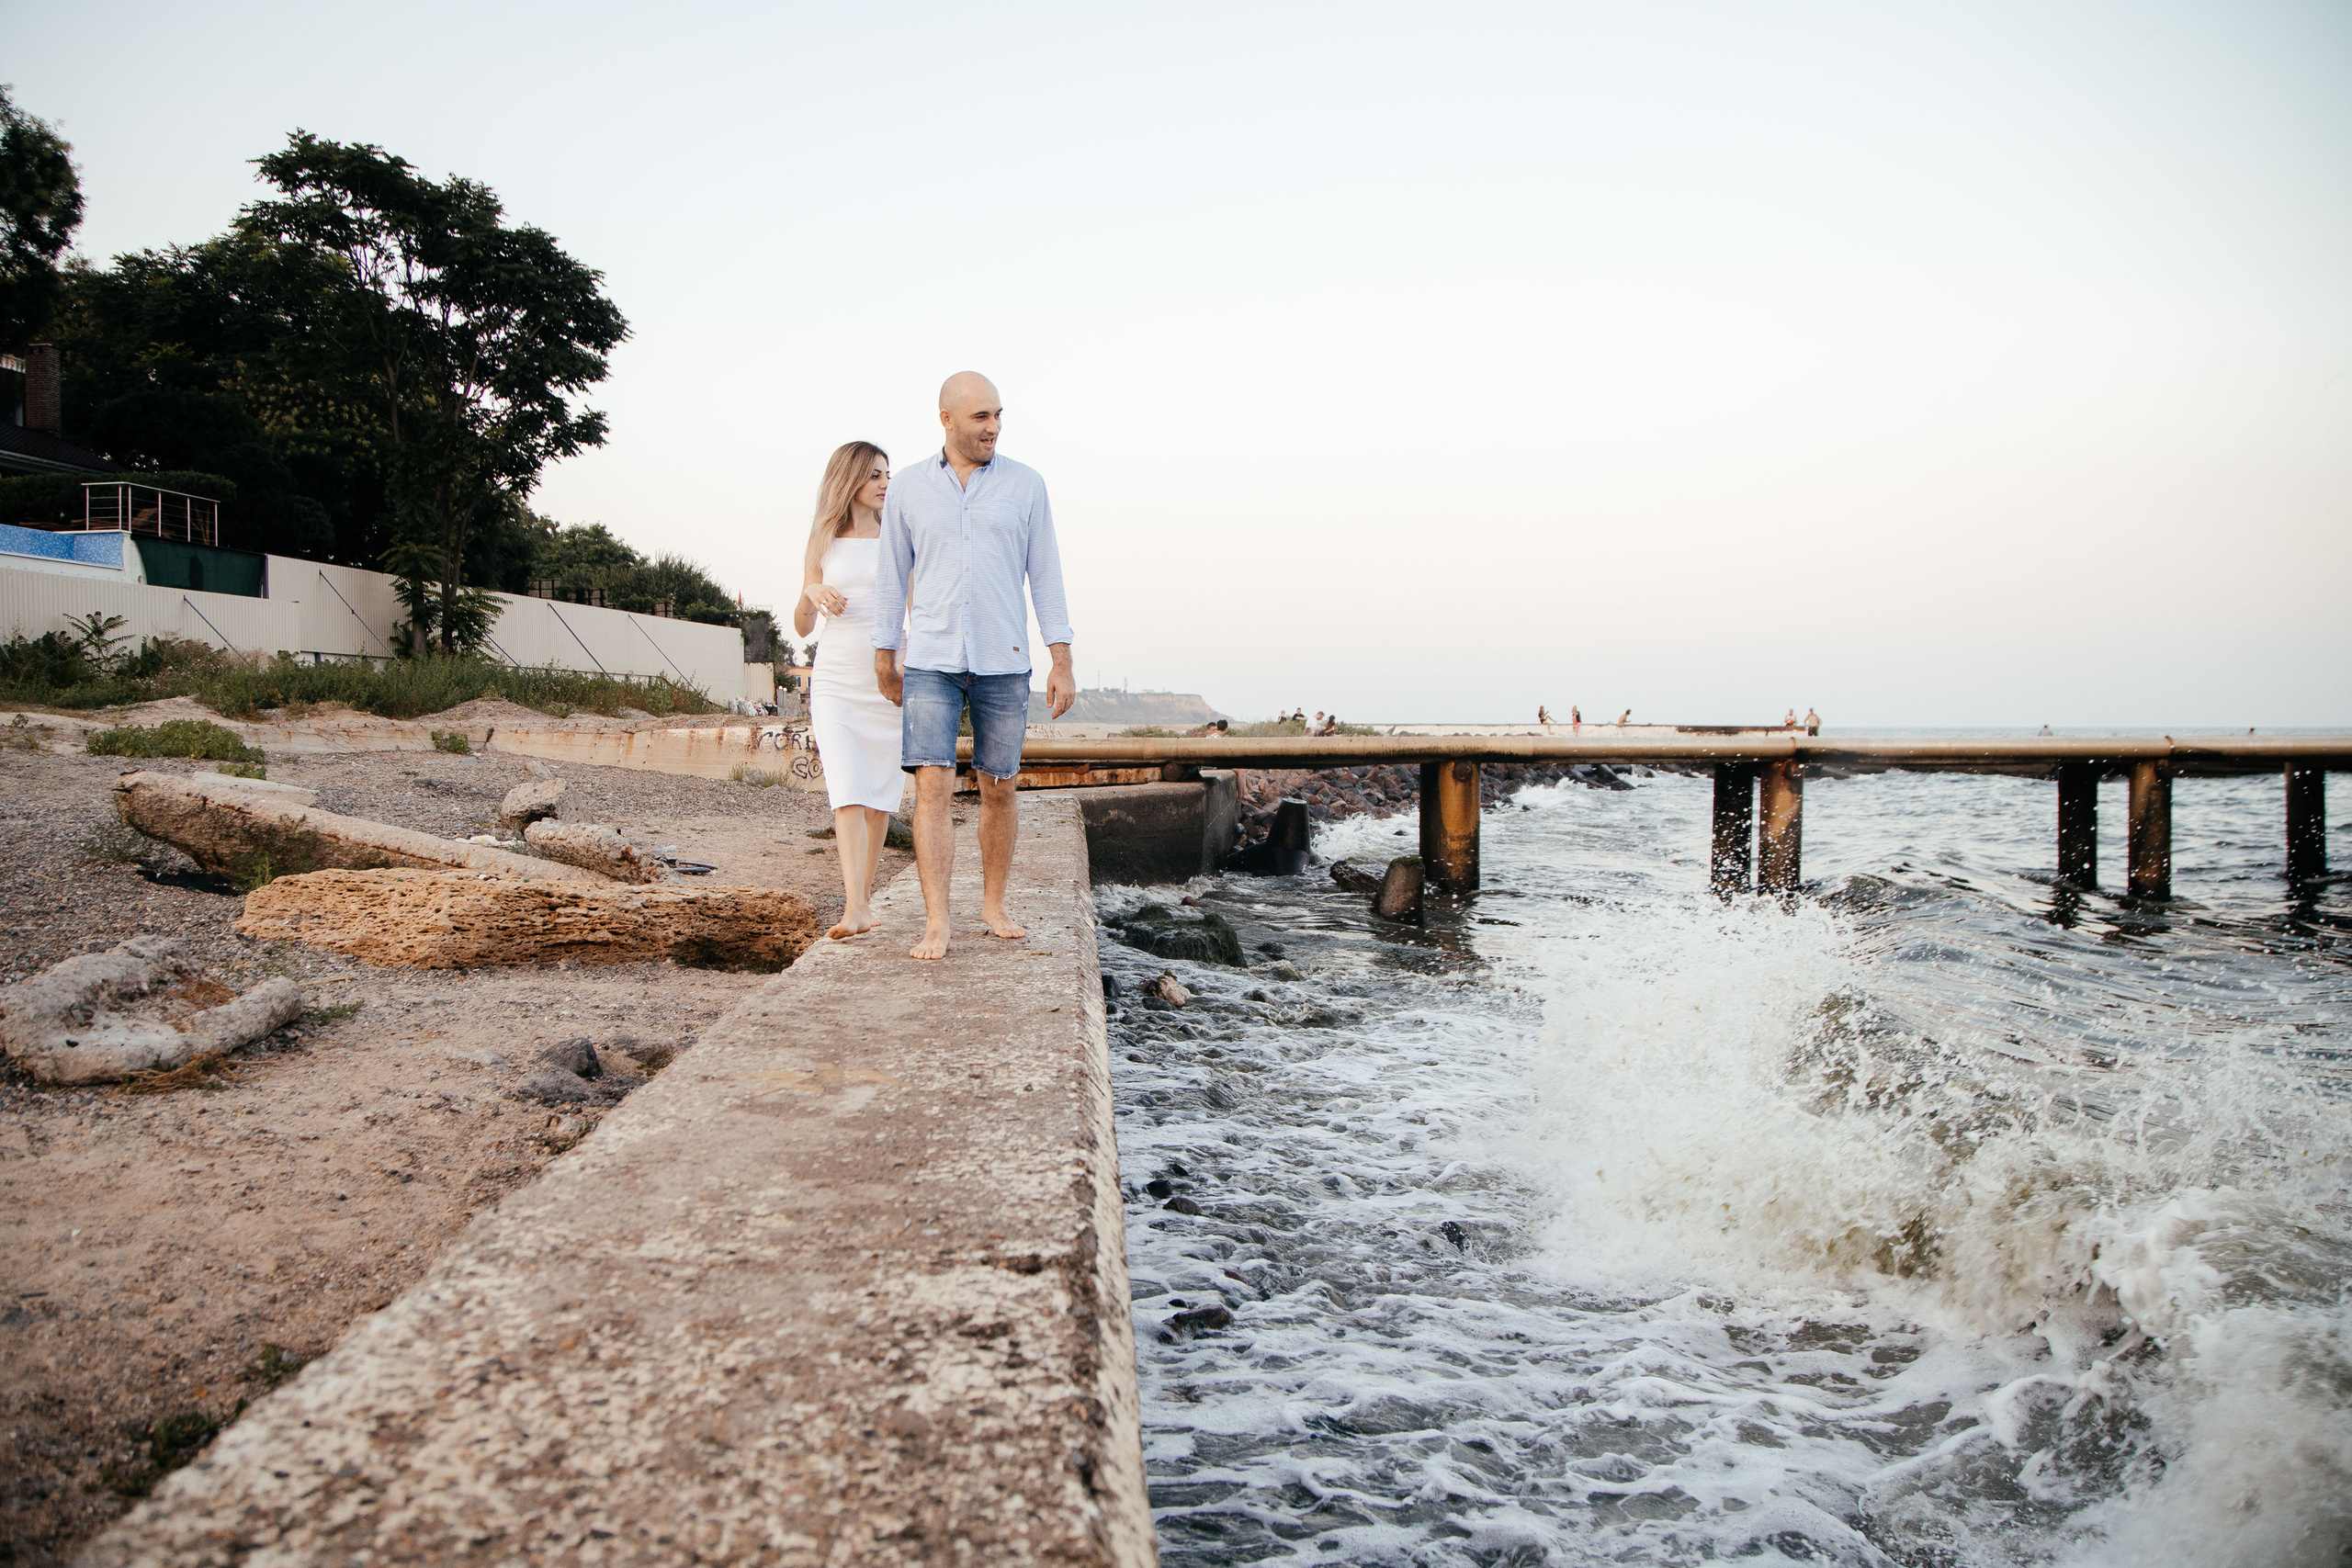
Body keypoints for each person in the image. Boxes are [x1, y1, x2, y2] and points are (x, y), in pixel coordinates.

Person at [872, 372, 1075, 962]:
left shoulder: (1026, 485)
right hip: (932, 655)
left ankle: (993, 904)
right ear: (947, 419)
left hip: (1004, 655)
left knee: (999, 786)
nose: (994, 427)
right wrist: (886, 654)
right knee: (931, 784)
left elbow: (1047, 574)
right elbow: (891, 576)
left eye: (998, 415)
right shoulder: (908, 487)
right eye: (981, 417)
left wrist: (1061, 658)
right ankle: (937, 920)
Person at [794, 441, 899, 942]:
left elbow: (916, 609)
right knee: (847, 789)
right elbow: (800, 626)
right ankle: (853, 906)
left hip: (887, 675)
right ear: (851, 478)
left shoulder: (899, 536)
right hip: (835, 676)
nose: (884, 483)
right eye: (875, 474)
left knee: (879, 794)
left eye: (887, 474)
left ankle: (863, 900)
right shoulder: (823, 538)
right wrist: (810, 593)